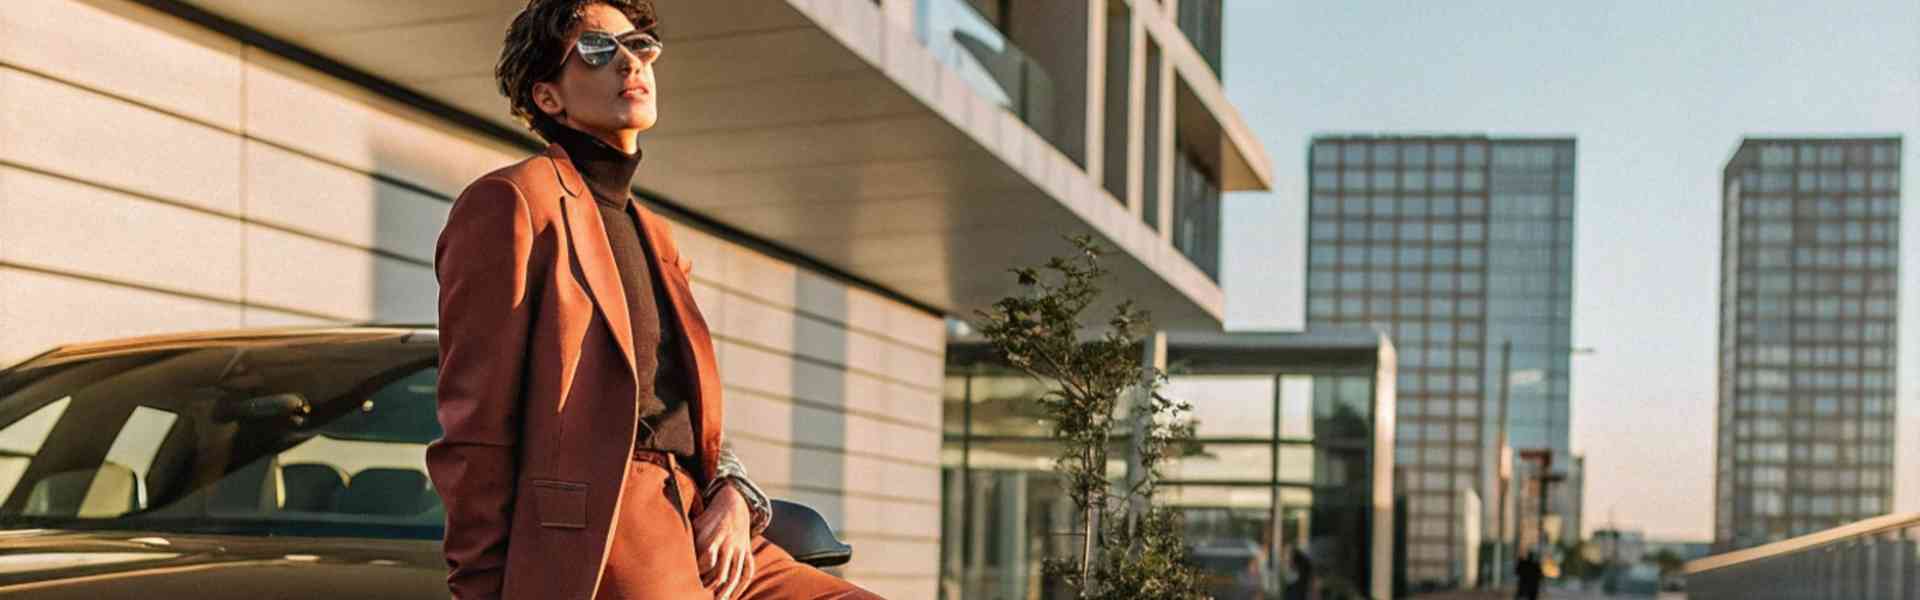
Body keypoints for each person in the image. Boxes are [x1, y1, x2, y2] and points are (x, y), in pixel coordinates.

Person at [425, 1, 884, 598]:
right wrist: (481, 586)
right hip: (609, 526)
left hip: (706, 517)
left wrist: (735, 496)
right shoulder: (513, 202)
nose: (628, 62)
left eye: (638, 46)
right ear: (548, 97)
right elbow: (477, 423)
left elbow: (682, 411)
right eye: (596, 50)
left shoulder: (655, 234)